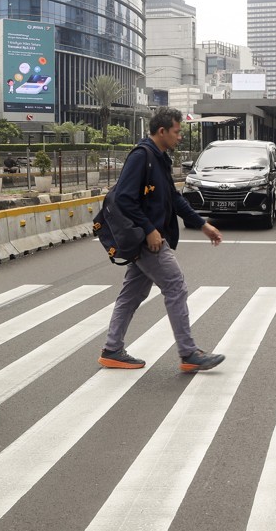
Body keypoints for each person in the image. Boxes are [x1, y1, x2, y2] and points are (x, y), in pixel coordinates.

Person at [100, 107, 226, 371]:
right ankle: (189, 353)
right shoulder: (141, 156)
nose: (180, 137)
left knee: (132, 294)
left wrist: (202, 225)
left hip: (152, 236)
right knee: (176, 286)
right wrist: (148, 229)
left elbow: (174, 198)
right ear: (162, 131)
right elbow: (124, 197)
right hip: (148, 240)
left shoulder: (160, 158)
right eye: (177, 132)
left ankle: (112, 349)